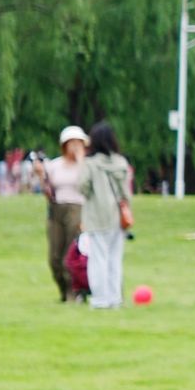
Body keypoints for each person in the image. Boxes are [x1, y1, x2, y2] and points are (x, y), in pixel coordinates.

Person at [77, 122, 134, 309]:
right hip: (117, 216)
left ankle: (100, 299)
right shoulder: (120, 163)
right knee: (115, 259)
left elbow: (83, 187)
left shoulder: (91, 163)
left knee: (98, 259)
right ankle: (114, 298)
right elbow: (126, 192)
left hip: (97, 215)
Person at [46, 126, 88, 299]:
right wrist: (41, 177)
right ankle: (63, 290)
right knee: (54, 256)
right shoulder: (55, 165)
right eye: (72, 143)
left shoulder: (86, 166)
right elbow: (49, 191)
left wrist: (81, 160)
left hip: (77, 208)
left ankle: (74, 292)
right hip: (57, 207)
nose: (75, 146)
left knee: (70, 254)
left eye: (79, 143)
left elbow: (89, 186)